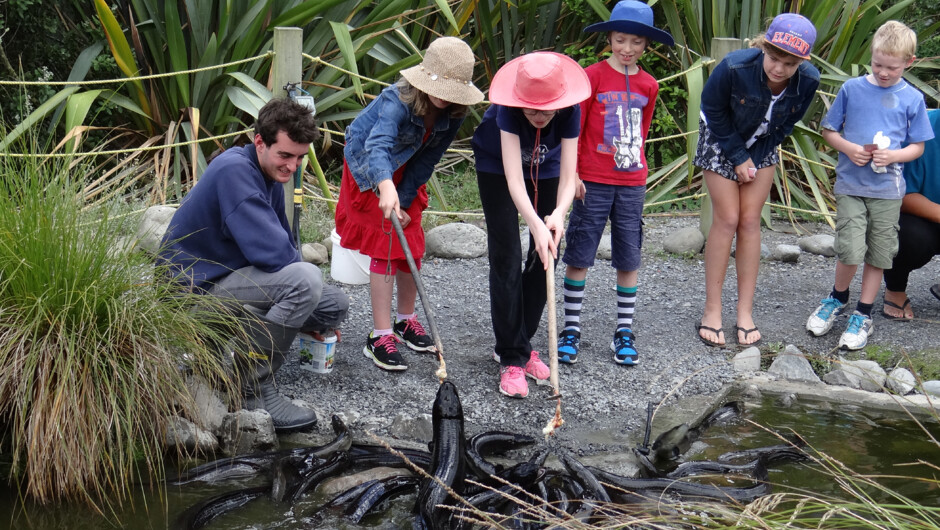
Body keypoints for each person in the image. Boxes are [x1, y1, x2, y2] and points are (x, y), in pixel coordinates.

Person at [159, 98, 350, 432]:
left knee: (333, 304)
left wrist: (299, 308)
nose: (292, 167)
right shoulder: (235, 172)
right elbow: (274, 254)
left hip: (227, 280)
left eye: (300, 158)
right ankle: (252, 387)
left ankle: (254, 343)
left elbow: (283, 247)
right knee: (305, 282)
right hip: (190, 301)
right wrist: (295, 302)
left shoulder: (266, 171)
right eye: (286, 155)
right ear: (260, 142)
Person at [337, 37, 484, 372]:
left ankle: (405, 320)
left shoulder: (454, 113)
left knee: (412, 244)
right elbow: (378, 145)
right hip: (369, 168)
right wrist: (384, 187)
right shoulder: (397, 100)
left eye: (452, 92)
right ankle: (380, 335)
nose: (445, 97)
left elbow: (426, 160)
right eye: (440, 88)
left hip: (405, 173)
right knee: (386, 245)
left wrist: (402, 199)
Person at [555, 0, 673, 366]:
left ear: (646, 45)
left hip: (631, 180)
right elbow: (575, 128)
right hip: (593, 178)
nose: (627, 48)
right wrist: (572, 173)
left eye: (636, 42)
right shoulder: (591, 77)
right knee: (581, 250)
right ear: (609, 38)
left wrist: (637, 171)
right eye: (621, 39)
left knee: (629, 252)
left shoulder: (649, 85)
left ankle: (624, 330)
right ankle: (571, 328)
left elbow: (643, 128)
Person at [694, 13, 820, 347]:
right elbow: (711, 108)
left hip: (764, 142)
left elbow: (787, 123)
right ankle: (712, 309)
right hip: (722, 138)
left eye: (790, 64)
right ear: (764, 46)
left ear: (802, 62)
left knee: (750, 221)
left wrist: (755, 155)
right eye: (774, 58)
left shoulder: (809, 80)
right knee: (728, 219)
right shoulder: (734, 67)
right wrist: (738, 156)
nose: (779, 69)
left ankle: (745, 312)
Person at [807, 20, 933, 349]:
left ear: (909, 62)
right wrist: (850, 149)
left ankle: (863, 313)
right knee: (849, 247)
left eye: (892, 67)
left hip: (888, 191)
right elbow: (829, 130)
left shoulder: (913, 98)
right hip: (852, 184)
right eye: (878, 64)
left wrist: (893, 156)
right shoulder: (852, 89)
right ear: (872, 57)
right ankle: (837, 298)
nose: (884, 72)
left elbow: (917, 146)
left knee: (879, 253)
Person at [472, 52, 591, 398]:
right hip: (498, 168)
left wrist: (557, 216)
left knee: (548, 253)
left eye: (546, 109)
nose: (539, 116)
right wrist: (534, 224)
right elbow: (514, 180)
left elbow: (570, 176)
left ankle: (520, 341)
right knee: (507, 254)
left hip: (548, 165)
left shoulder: (570, 110)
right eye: (532, 109)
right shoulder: (507, 110)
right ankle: (510, 355)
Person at [882, 109, 940, 319]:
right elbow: (900, 196)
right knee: (909, 236)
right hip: (919, 217)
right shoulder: (922, 129)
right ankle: (895, 288)